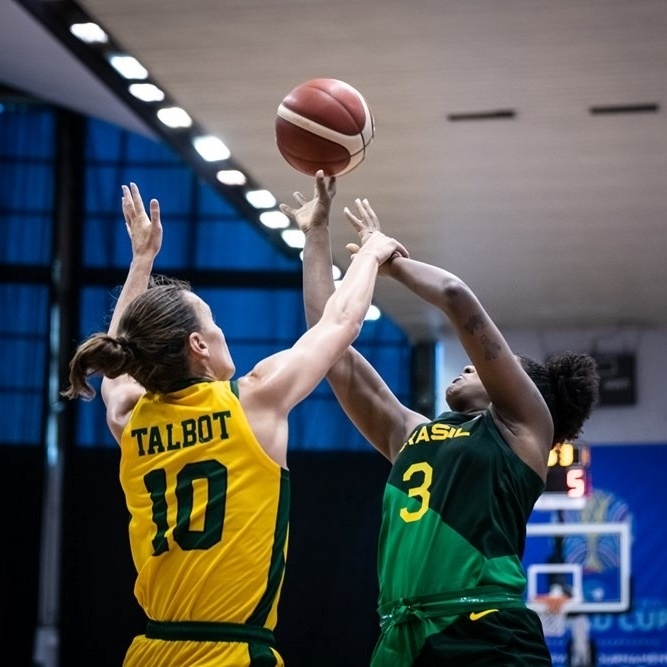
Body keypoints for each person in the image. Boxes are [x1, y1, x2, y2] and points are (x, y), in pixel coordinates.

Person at [63, 178, 407, 667]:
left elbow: (118, 372)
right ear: (198, 346)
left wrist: (141, 262)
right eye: (213, 322)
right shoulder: (253, 400)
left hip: (150, 651)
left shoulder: (131, 420)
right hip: (230, 650)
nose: (222, 331)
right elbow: (339, 324)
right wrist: (370, 253)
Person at [281, 172, 600, 666]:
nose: (471, 363)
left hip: (484, 630)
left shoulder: (522, 428)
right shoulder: (410, 433)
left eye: (485, 365)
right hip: (399, 634)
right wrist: (315, 235)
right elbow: (332, 351)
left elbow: (455, 296)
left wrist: (389, 260)